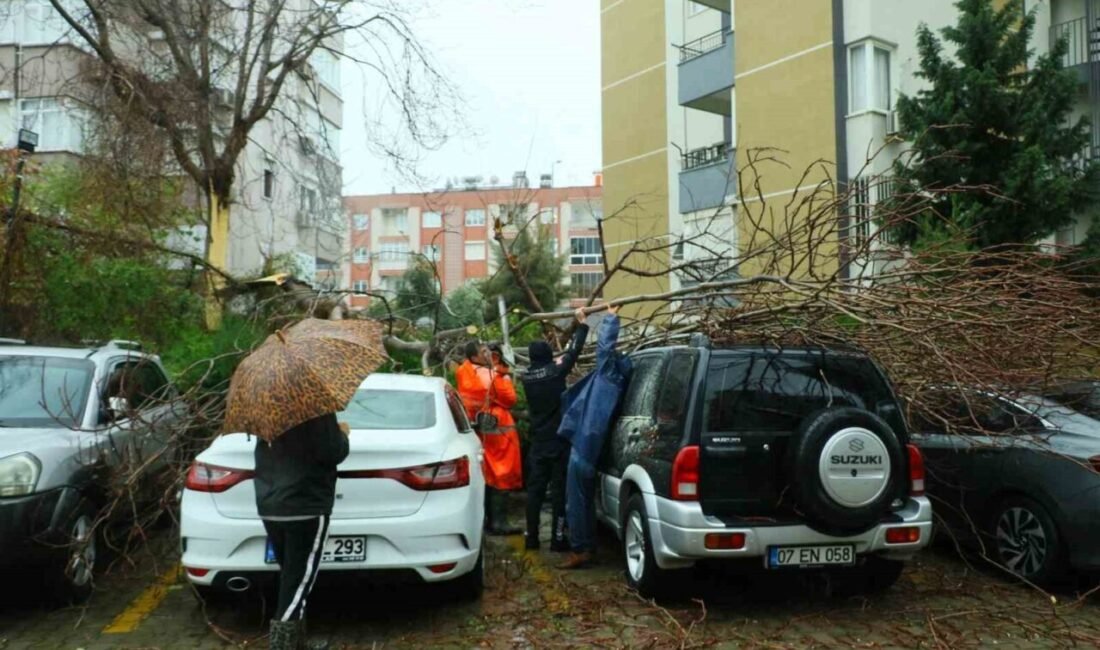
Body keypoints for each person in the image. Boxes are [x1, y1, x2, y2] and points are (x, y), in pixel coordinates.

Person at [254, 413, 349, 650]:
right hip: (306, 506)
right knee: (297, 585)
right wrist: (342, 435)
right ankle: (281, 645)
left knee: (291, 577)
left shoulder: (264, 410)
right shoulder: (317, 411)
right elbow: (333, 452)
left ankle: (298, 643)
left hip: (270, 505)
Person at [557, 304, 630, 569]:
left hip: (584, 447)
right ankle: (586, 546)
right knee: (584, 501)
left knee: (576, 501)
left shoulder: (609, 378)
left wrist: (610, 318)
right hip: (588, 446)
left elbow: (605, 349)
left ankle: (581, 549)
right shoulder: (614, 382)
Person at [520, 308, 590, 551]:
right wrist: (582, 325)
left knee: (535, 493)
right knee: (559, 493)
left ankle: (531, 538)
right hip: (559, 442)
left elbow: (550, 366)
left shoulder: (526, 377)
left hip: (538, 444)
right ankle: (558, 540)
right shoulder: (556, 372)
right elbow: (573, 352)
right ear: (549, 354)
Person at [456, 342, 523, 534]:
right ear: (475, 357)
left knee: (488, 474)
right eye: (483, 352)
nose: (488, 354)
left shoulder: (464, 371)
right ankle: (499, 522)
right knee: (502, 473)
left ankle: (487, 520)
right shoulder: (490, 375)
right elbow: (509, 398)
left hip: (480, 428)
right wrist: (504, 375)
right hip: (499, 431)